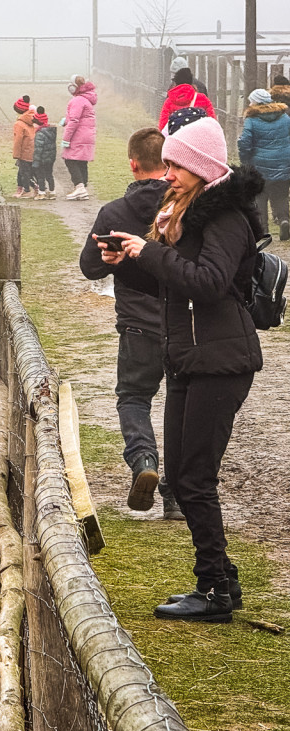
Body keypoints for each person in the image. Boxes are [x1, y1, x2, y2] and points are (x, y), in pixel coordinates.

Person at [103, 117, 265, 622]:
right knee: (182, 474)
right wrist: (127, 259)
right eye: (167, 163)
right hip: (188, 358)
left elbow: (210, 283)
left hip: (221, 361)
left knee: (194, 478)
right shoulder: (183, 213)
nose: (167, 173)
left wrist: (149, 250)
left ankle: (212, 591)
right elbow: (175, 286)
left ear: (199, 167)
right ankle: (224, 578)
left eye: (175, 164)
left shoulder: (225, 218)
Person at [80, 128, 181, 517]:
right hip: (183, 323)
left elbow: (89, 268)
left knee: (135, 397)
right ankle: (175, 495)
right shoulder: (184, 206)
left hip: (138, 323)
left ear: (133, 163)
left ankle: (144, 461)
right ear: (169, 164)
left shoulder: (114, 212)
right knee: (180, 405)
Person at [237, 88, 290, 241]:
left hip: (259, 165)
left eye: (251, 100)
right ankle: (284, 220)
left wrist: (245, 160)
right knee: (280, 196)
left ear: (256, 102)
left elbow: (245, 142)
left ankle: (263, 229)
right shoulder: (285, 118)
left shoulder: (252, 120)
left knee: (260, 196)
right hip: (283, 163)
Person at [61, 75, 97, 200]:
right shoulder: (87, 99)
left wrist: (66, 138)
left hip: (78, 136)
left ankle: (79, 187)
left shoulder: (77, 100)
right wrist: (66, 120)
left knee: (70, 159)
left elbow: (75, 120)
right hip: (87, 135)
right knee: (81, 161)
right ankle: (83, 188)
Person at [158, 68, 215, 133]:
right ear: (191, 82)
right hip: (198, 138)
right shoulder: (202, 99)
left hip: (176, 138)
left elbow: (163, 125)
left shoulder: (169, 101)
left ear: (175, 83)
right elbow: (212, 122)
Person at [11, 96, 37, 198]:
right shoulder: (30, 120)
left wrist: (16, 154)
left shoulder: (19, 124)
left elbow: (18, 140)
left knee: (24, 173)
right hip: (32, 151)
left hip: (24, 152)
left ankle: (28, 190)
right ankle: (25, 189)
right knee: (28, 172)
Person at [32, 107, 57, 200]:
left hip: (41, 159)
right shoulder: (51, 131)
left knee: (40, 176)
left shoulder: (39, 134)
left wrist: (35, 162)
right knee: (49, 174)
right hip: (50, 158)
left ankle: (41, 192)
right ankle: (52, 192)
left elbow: (38, 149)